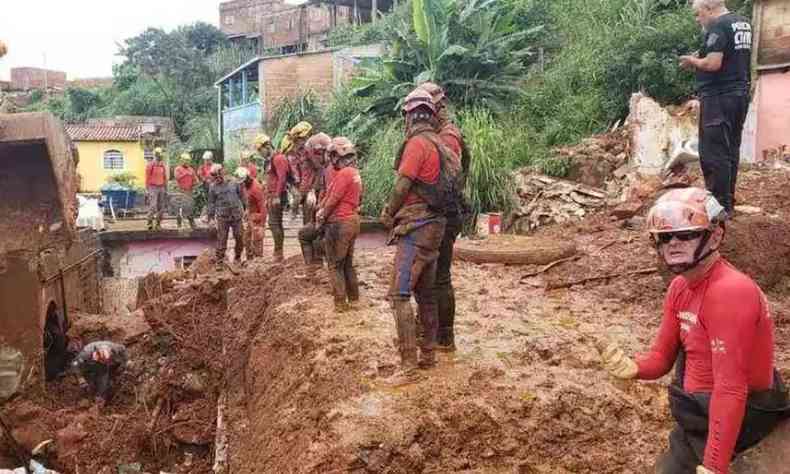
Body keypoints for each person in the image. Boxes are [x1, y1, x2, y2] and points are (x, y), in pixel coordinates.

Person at [598, 187, 790, 474]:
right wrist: (633, 366)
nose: (673, 243)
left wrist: (715, 465)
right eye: (664, 237)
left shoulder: (730, 292)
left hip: (742, 418)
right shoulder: (680, 287)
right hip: (696, 417)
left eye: (686, 234)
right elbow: (662, 357)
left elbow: (730, 388)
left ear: (715, 235)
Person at [379, 88, 452, 375]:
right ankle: (429, 356)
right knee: (426, 294)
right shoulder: (441, 143)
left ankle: (408, 365)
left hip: (417, 228)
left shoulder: (417, 144)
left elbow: (402, 185)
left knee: (399, 295)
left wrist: (388, 212)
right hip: (437, 227)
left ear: (408, 116)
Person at [679, 0, 752, 216]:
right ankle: (727, 203)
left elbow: (713, 64)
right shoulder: (743, 22)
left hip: (719, 97)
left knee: (713, 152)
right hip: (739, 94)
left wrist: (692, 60)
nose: (697, 19)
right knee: (730, 150)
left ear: (709, 9)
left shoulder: (718, 26)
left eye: (698, 14)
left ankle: (717, 208)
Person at [420, 81, 470, 351]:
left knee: (440, 276)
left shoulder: (447, 137)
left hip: (446, 213)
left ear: (437, 109)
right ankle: (435, 333)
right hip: (443, 211)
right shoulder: (440, 134)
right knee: (434, 276)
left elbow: (447, 181)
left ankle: (445, 337)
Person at [316, 137, 362, 312]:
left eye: (331, 156)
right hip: (352, 220)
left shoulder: (344, 174)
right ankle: (355, 299)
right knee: (347, 263)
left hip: (339, 223)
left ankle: (341, 303)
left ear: (336, 155)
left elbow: (334, 199)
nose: (330, 160)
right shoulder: (355, 173)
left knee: (335, 264)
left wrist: (321, 215)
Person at [298, 133, 332, 267]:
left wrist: (321, 205)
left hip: (331, 213)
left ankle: (316, 262)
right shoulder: (323, 166)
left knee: (314, 229)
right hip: (318, 198)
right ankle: (315, 262)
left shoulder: (331, 169)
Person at [207, 164, 246, 270]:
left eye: (217, 176)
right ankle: (219, 261)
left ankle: (238, 257)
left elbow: (242, 196)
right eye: (214, 177)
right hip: (222, 217)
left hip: (236, 215)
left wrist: (246, 210)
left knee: (239, 236)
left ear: (222, 173)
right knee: (222, 239)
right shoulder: (213, 187)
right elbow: (211, 203)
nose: (216, 179)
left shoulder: (234, 182)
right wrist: (210, 218)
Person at [280, 122, 313, 220]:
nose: (304, 140)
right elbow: (292, 169)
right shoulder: (289, 149)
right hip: (292, 180)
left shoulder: (305, 149)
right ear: (297, 139)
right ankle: (293, 212)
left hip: (304, 179)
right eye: (302, 138)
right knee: (298, 196)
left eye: (305, 138)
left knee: (307, 201)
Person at [267, 137, 292, 262]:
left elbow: (282, 178)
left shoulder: (279, 158)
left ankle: (278, 253)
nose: (261, 154)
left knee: (274, 223)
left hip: (277, 196)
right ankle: (278, 253)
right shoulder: (273, 159)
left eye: (260, 150)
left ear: (266, 146)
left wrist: (276, 195)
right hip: (273, 195)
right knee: (276, 223)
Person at [237, 167, 267, 259]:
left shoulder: (256, 188)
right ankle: (250, 259)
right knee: (246, 238)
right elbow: (249, 201)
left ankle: (258, 259)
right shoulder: (245, 185)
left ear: (247, 178)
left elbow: (263, 207)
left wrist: (262, 225)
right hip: (250, 214)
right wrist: (247, 211)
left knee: (257, 238)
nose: (242, 184)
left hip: (257, 215)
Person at [145, 147, 168, 230]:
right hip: (152, 187)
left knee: (161, 207)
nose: (159, 157)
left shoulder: (162, 165)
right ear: (155, 155)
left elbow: (165, 177)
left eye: (160, 155)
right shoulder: (150, 165)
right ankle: (149, 222)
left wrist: (166, 189)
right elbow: (147, 177)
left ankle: (158, 223)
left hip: (161, 187)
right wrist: (147, 189)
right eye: (157, 155)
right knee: (153, 206)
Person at [173, 152, 198, 229]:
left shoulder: (191, 169)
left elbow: (196, 179)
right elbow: (177, 177)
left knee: (190, 207)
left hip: (189, 191)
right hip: (180, 191)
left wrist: (195, 184)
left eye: (188, 161)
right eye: (186, 160)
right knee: (179, 207)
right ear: (182, 161)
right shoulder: (178, 169)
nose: (187, 162)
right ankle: (179, 223)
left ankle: (191, 222)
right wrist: (186, 174)